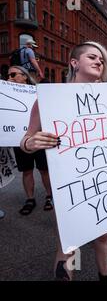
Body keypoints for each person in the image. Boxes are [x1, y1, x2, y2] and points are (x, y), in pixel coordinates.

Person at [19, 42, 107, 281]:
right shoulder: (50, 98)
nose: (99, 62)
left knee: (103, 236)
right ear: (74, 63)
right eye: (92, 57)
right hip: (68, 189)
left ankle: (105, 277)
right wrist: (30, 143)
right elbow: (26, 138)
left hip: (104, 184)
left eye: (102, 59)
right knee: (70, 243)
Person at [7, 66, 53, 215]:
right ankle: (30, 199)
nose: (10, 77)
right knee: (26, 171)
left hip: (39, 138)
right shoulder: (4, 95)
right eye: (8, 75)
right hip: (19, 139)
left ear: (25, 76)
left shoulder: (38, 93)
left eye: (14, 74)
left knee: (44, 170)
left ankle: (49, 196)